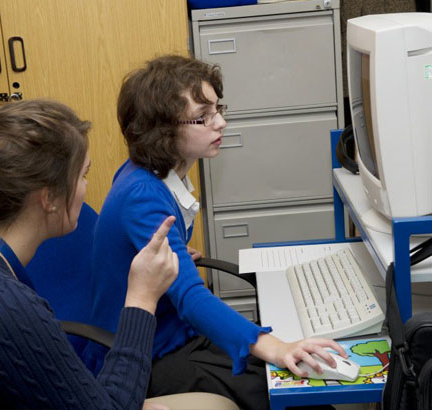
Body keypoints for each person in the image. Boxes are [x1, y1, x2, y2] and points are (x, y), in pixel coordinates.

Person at [84, 55, 346, 410]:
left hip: (171, 334)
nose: (220, 122)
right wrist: (277, 348)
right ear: (163, 129)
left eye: (217, 109)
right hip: (150, 355)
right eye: (203, 117)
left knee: (289, 384)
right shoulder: (142, 193)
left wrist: (177, 256)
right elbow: (191, 299)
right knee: (287, 391)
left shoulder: (153, 173)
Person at [0, 99, 179, 409]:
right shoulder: (5, 307)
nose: (86, 187)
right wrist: (142, 298)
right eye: (83, 175)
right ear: (50, 197)